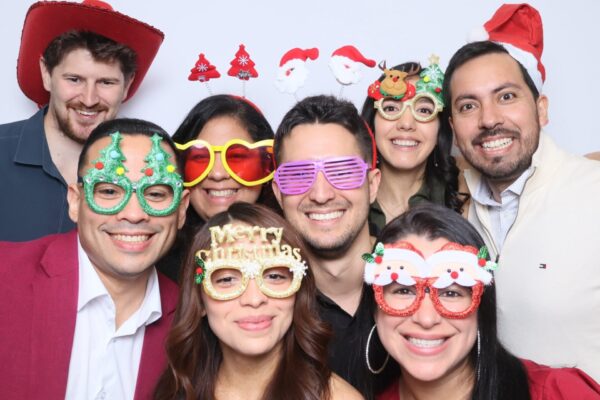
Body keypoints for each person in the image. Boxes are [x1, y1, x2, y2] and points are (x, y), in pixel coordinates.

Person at [442, 3, 600, 381]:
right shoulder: (452, 219)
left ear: (541, 109)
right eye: (468, 105)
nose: (489, 119)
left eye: (507, 97)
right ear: (453, 128)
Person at [0, 118, 190, 399]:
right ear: (75, 201)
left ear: (182, 209)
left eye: (155, 193)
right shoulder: (6, 275)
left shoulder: (193, 321)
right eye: (109, 191)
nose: (134, 214)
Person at [364, 203, 600, 400]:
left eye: (451, 293)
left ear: (480, 307)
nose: (426, 318)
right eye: (404, 290)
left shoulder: (559, 393)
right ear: (375, 308)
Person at [154, 202, 362, 400]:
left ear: (298, 292)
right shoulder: (175, 392)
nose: (254, 299)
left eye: (274, 276)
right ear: (199, 300)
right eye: (227, 279)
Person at [0, 0, 164, 241]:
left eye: (106, 82)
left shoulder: (150, 169)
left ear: (127, 85)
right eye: (74, 79)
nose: (89, 99)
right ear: (46, 74)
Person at [272, 95, 387, 398]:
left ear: (372, 184)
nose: (321, 194)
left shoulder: (418, 280)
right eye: (298, 175)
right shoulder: (263, 305)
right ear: (278, 193)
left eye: (342, 171)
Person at [157, 94, 278, 281]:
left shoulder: (293, 253)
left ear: (266, 162)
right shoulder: (157, 264)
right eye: (200, 158)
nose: (218, 173)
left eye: (237, 157)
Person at [361, 56, 466, 236]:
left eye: (424, 110)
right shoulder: (346, 197)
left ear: (440, 129)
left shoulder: (465, 197)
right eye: (391, 108)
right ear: (372, 123)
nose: (406, 124)